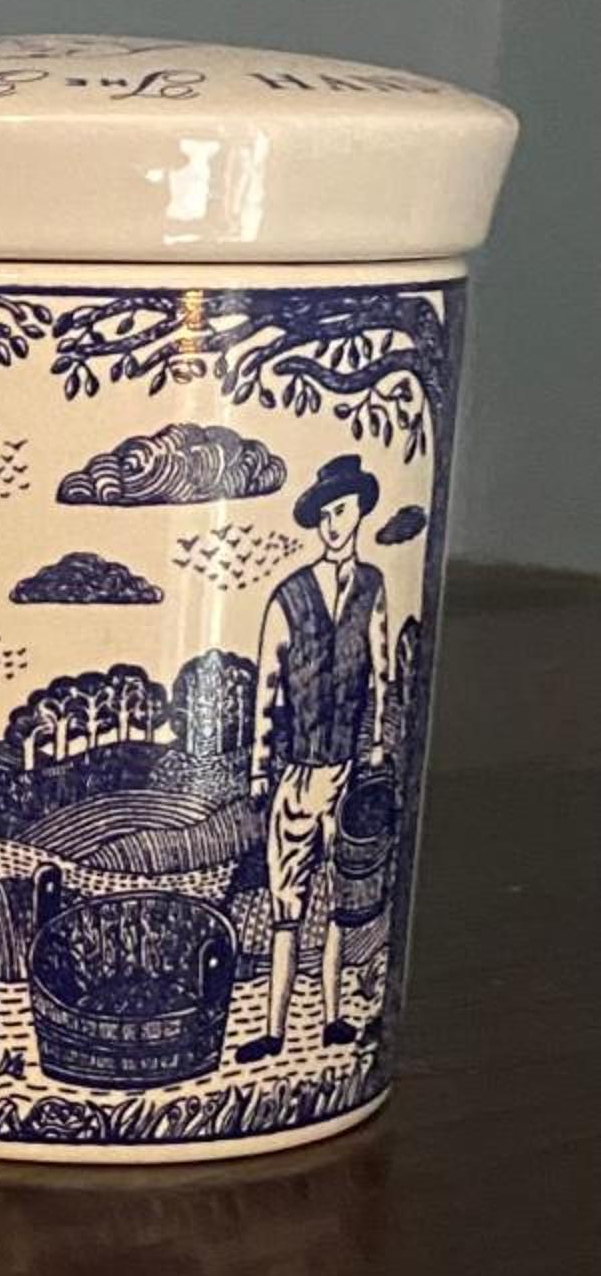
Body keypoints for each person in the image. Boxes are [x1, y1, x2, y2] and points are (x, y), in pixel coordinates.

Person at [238, 452, 390, 1062]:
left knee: (336, 903)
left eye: (342, 510)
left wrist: (377, 744)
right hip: (298, 774)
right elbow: (265, 688)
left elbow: (382, 671)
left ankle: (334, 1020)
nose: (332, 524)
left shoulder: (373, 587)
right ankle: (273, 1031)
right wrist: (258, 767)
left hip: (348, 770)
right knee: (287, 904)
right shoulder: (289, 597)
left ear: (359, 512)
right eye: (324, 514)